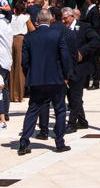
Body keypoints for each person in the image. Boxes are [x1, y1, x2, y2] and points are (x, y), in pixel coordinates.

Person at [18, 9, 70, 155]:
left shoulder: (29, 37)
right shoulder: (57, 34)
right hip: (55, 78)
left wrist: (29, 75)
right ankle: (59, 143)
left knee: (33, 110)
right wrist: (65, 74)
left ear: (37, 20)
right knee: (60, 110)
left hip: (37, 79)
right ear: (51, 19)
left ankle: (24, 142)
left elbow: (25, 61)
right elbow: (64, 56)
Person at [61, 7, 99, 132]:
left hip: (80, 67)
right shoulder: (63, 29)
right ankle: (82, 121)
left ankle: (72, 123)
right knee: (72, 95)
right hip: (67, 67)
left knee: (75, 96)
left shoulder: (84, 27)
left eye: (65, 18)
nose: (63, 21)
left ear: (72, 17)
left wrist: (82, 51)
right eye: (62, 18)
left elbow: (95, 40)